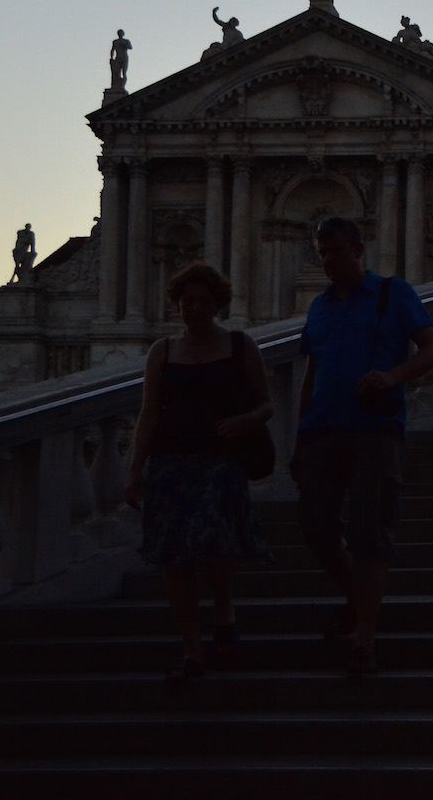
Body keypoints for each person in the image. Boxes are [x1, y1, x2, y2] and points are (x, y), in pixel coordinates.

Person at [291, 217, 433, 677]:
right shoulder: (319, 307)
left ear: (359, 250)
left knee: (369, 534)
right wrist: (300, 438)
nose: (328, 261)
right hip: (322, 430)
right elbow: (312, 373)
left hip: (374, 431)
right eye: (322, 253)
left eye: (336, 251)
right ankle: (358, 601)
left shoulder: (392, 293)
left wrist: (393, 376)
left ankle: (364, 642)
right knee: (315, 528)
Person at [124, 263, 274, 682]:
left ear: (218, 305)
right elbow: (149, 413)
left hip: (221, 461)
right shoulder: (163, 352)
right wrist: (136, 468)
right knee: (174, 558)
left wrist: (245, 422)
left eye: (204, 301)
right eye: (188, 301)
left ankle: (223, 607)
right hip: (171, 462)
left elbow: (267, 403)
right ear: (177, 304)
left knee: (212, 545)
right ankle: (192, 649)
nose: (195, 308)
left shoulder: (242, 347)